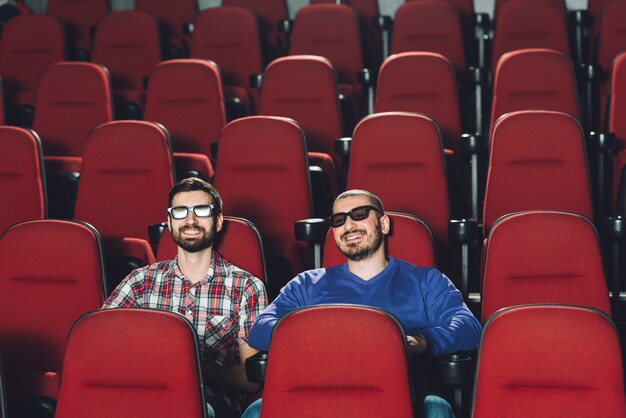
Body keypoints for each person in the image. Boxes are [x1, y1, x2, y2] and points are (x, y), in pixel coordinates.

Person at [242, 189, 482, 418]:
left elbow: (468, 327)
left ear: (384, 224)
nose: (348, 225)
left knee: (436, 409)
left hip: (401, 396)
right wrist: (321, 339)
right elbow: (261, 329)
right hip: (319, 395)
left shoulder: (426, 280)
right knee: (256, 411)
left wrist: (421, 342)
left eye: (359, 214)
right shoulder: (307, 283)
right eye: (338, 220)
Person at [102, 178, 268, 418]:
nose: (190, 221)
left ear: (218, 221)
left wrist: (200, 371)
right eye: (180, 212)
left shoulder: (247, 286)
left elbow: (251, 377)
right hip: (144, 394)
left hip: (210, 402)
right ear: (169, 223)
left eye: (201, 211)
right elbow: (99, 342)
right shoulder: (140, 282)